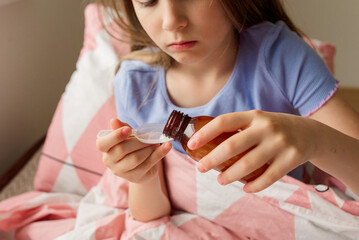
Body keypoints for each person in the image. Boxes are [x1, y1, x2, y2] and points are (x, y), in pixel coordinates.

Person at [96, 0, 359, 222]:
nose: (171, 21)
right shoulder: (135, 83)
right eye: (148, 0)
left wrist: (314, 139)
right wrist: (141, 177)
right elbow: (151, 218)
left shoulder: (279, 55)